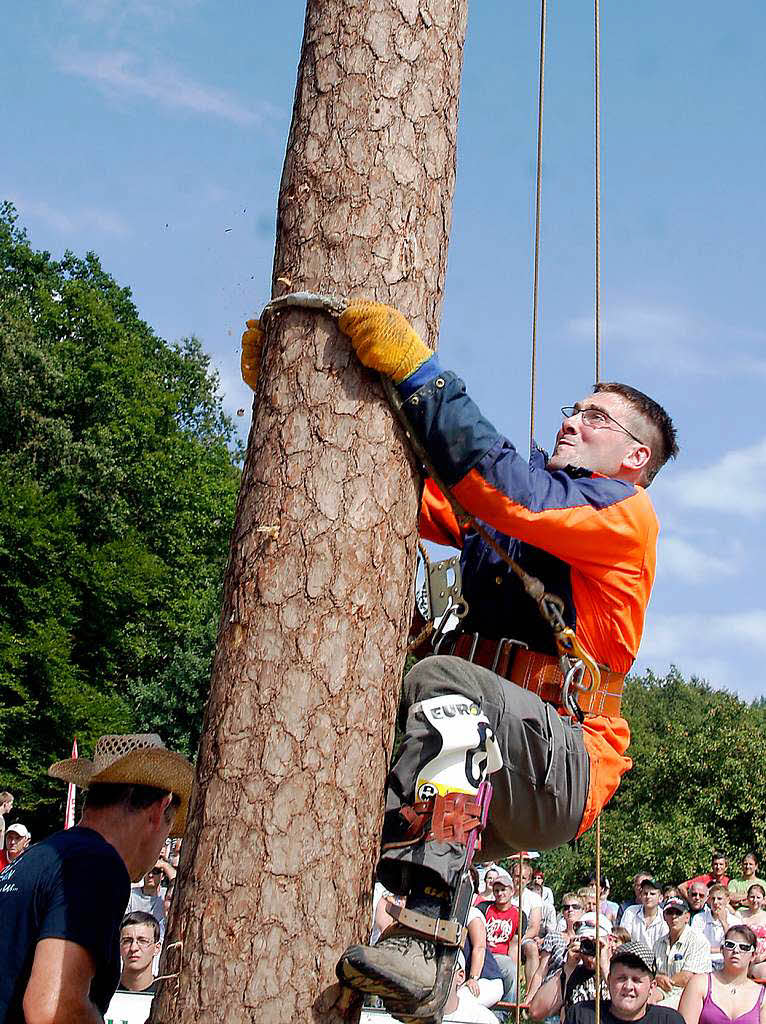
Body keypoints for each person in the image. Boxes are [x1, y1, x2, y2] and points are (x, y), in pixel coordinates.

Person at [303, 299, 679, 1010]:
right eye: (575, 406)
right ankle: (420, 968)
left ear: (635, 457)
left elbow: (502, 486)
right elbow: (409, 490)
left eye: (596, 416)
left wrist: (423, 376)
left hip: (563, 762)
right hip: (483, 761)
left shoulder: (625, 517)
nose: (571, 419)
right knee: (370, 756)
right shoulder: (530, 518)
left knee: (446, 680)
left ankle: (425, 937)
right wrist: (306, 394)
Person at [0, 733, 192, 1023]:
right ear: (159, 809)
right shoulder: (97, 864)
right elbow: (52, 1009)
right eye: (170, 827)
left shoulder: (42, 855)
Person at [566, 940, 685, 1024]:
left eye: (637, 980)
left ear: (652, 987)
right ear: (609, 980)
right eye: (621, 978)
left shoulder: (669, 1020)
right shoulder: (581, 1015)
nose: (628, 986)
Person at [528, 913, 612, 1020]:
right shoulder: (572, 973)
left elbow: (625, 1004)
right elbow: (536, 1012)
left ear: (609, 942)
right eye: (585, 943)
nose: (591, 948)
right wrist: (567, 968)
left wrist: (604, 967)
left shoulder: (620, 972)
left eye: (595, 942)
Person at [678, 925, 766, 1024]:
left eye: (744, 947)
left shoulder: (762, 996)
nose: (736, 951)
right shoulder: (700, 983)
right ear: (722, 950)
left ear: (753, 956)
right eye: (730, 945)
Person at [652, 897, 712, 1009]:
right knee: (642, 1002)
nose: (674, 917)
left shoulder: (698, 941)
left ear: (687, 917)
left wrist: (662, 979)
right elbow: (651, 972)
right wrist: (657, 977)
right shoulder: (658, 943)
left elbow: (687, 977)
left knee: (660, 1010)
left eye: (678, 913)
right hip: (662, 989)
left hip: (689, 992)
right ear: (664, 916)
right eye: (670, 912)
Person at [480, 871, 521, 1006]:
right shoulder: (484, 908)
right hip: (483, 952)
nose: (500, 893)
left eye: (503, 890)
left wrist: (514, 967)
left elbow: (514, 945)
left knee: (511, 969)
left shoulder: (519, 915)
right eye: (496, 890)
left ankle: (505, 1011)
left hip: (501, 956)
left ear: (512, 891)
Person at [442, 950, 499, 1024]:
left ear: (460, 976)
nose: (435, 975)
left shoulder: (482, 1019)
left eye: (444, 969)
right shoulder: (422, 1015)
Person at [692, 884, 741, 968]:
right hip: (703, 960)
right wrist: (720, 949)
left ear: (727, 900)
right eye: (713, 898)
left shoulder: (736, 921)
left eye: (719, 899)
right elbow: (696, 945)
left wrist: (724, 923)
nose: (715, 902)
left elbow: (734, 946)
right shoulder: (699, 918)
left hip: (726, 962)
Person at [118, 912, 162, 993]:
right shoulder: (103, 991)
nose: (133, 948)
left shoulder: (164, 994)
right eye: (127, 941)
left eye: (143, 941)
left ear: (156, 948)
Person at [127, 863, 167, 940]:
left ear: (162, 876)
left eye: (156, 871)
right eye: (148, 870)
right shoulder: (131, 894)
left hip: (158, 942)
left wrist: (164, 865)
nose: (150, 875)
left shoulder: (166, 895)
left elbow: (179, 881)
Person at [625, 880, 668, 950]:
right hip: (632, 957)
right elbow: (624, 941)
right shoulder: (630, 912)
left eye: (652, 894)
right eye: (645, 893)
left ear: (660, 898)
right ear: (641, 896)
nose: (648, 896)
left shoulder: (665, 918)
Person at [737, 884, 766, 979]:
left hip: (761, 959)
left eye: (758, 897)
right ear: (747, 898)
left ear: (763, 899)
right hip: (741, 957)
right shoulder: (739, 914)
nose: (755, 900)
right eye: (752, 897)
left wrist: (762, 957)